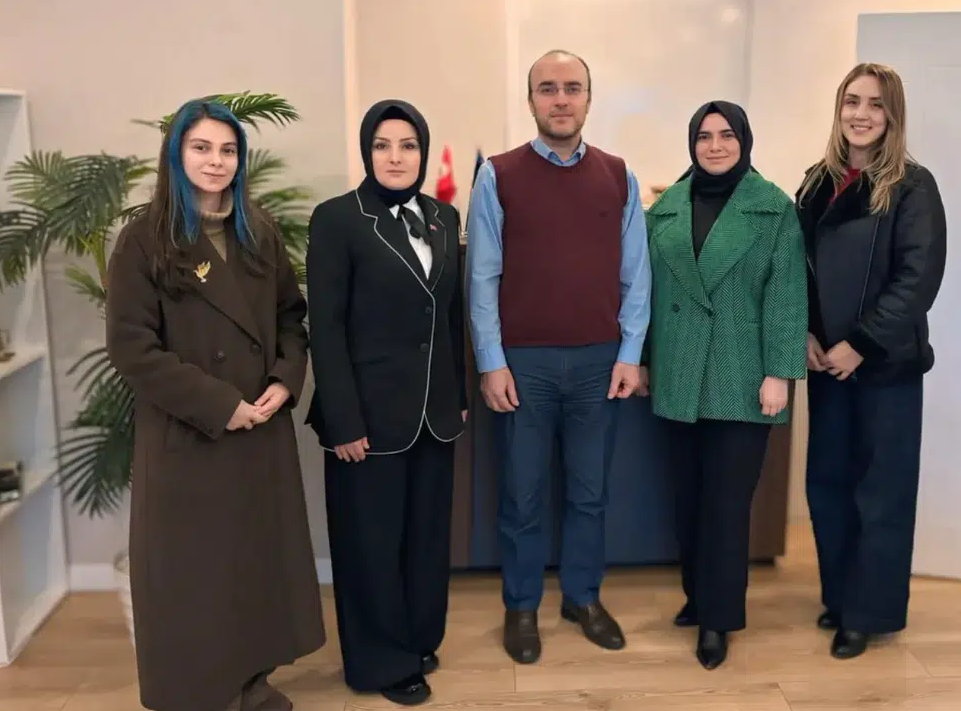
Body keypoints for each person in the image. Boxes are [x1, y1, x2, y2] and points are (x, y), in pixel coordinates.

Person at [105, 99, 325, 711]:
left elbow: (291, 317)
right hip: (192, 433)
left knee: (253, 567)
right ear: (176, 154)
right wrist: (220, 404)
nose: (216, 161)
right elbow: (131, 348)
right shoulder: (143, 241)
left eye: (228, 150)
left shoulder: (259, 230)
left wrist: (285, 378)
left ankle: (249, 683)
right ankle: (201, 694)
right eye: (201, 147)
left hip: (260, 429)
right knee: (196, 578)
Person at [465, 49, 652, 664]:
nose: (561, 99)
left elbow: (636, 275)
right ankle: (521, 607)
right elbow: (482, 276)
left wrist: (630, 352)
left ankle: (582, 597)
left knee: (589, 494)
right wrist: (491, 360)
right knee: (521, 496)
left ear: (589, 99)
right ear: (531, 101)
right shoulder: (497, 176)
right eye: (548, 88)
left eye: (573, 87)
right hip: (524, 367)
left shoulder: (618, 175)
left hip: (600, 362)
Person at [304, 99, 467, 706]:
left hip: (434, 413)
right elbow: (325, 328)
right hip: (366, 416)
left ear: (422, 152)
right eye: (382, 145)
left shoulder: (443, 216)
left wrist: (459, 395)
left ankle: (419, 638)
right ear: (367, 152)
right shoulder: (337, 219)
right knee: (369, 545)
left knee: (425, 538)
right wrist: (343, 419)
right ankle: (380, 662)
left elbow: (449, 316)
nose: (396, 157)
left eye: (408, 145)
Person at [636, 101, 806, 670]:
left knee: (727, 506)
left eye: (726, 135)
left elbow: (786, 296)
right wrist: (642, 361)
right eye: (704, 136)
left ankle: (719, 618)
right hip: (679, 372)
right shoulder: (665, 208)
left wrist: (780, 373)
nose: (714, 146)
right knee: (687, 499)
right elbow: (646, 294)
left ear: (744, 140)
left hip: (743, 376)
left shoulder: (773, 208)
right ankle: (696, 597)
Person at [794, 62, 947, 660]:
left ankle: (867, 614)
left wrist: (859, 343)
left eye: (875, 104)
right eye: (851, 101)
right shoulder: (816, 182)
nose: (861, 114)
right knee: (828, 486)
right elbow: (798, 268)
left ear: (892, 115)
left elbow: (917, 279)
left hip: (884, 367)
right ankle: (839, 598)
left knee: (880, 494)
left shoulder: (913, 186)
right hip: (826, 366)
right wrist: (805, 334)